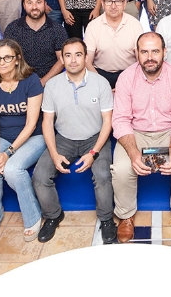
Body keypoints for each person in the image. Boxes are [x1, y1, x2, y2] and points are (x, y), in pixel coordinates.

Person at [111, 32, 171, 243]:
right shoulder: (126, 78)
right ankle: (126, 215)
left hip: (169, 133)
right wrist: (133, 153)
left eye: (155, 51)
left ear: (164, 52)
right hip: (136, 133)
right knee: (122, 169)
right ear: (136, 53)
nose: (150, 57)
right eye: (144, 52)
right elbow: (121, 120)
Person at [32, 38, 116, 244]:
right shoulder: (52, 85)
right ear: (62, 58)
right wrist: (54, 154)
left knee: (103, 175)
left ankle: (106, 219)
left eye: (78, 55)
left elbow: (108, 122)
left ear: (86, 57)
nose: (73, 60)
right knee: (40, 176)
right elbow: (47, 122)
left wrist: (94, 152)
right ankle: (53, 215)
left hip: (95, 137)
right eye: (68, 55)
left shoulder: (101, 83)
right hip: (64, 138)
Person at [0, 39, 46, 241]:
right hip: (1, 137)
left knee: (13, 170)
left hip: (32, 136)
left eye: (7, 57)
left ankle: (33, 216)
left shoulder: (31, 80)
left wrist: (8, 154)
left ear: (17, 59)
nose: (1, 62)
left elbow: (31, 124)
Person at [4, 0, 67, 86]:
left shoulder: (57, 29)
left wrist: (43, 82)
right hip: (19, 81)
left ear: (45, 4)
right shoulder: (13, 29)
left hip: (50, 82)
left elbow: (62, 60)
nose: (34, 7)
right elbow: (8, 58)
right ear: (24, 5)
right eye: (29, 3)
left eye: (38, 2)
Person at [85, 0, 144, 89]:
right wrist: (102, 84)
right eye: (109, 1)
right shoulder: (93, 26)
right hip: (100, 74)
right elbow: (87, 62)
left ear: (124, 4)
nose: (113, 6)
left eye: (118, 1)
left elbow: (141, 59)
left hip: (129, 73)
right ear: (102, 4)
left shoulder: (135, 24)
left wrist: (129, 82)